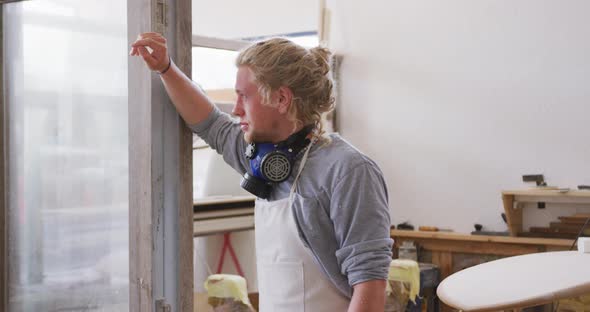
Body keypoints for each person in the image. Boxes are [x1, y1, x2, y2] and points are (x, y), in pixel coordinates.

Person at [130, 32, 393, 312]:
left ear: (281, 99)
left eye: (244, 96)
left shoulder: (348, 171)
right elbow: (209, 123)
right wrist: (166, 68)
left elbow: (370, 286)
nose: (236, 109)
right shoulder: (261, 158)